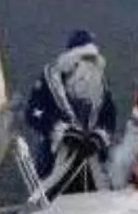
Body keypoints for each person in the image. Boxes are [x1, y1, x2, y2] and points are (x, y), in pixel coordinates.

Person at [23, 29, 117, 196]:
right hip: (57, 162)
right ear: (71, 60)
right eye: (84, 58)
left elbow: (109, 117)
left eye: (92, 59)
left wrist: (99, 137)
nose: (90, 64)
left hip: (91, 162)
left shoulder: (101, 83)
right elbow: (32, 113)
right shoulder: (50, 80)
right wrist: (61, 131)